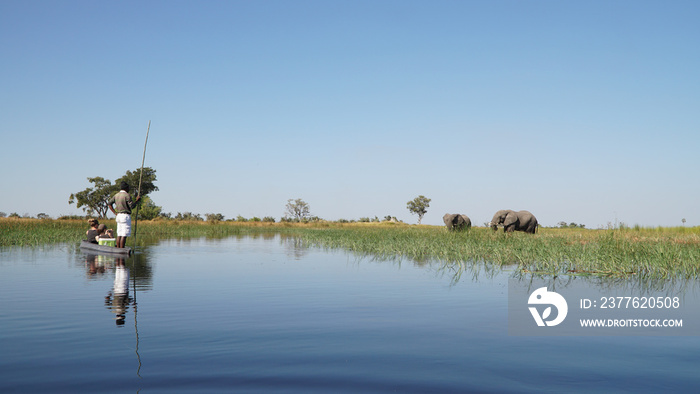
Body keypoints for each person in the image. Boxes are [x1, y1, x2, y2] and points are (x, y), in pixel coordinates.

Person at [107, 181, 141, 248]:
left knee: (119, 234)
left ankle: (118, 249)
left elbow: (109, 203)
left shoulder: (116, 195)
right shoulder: (127, 195)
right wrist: (137, 201)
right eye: (128, 188)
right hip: (125, 216)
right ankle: (122, 249)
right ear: (126, 188)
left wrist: (115, 213)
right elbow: (132, 206)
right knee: (124, 234)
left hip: (118, 216)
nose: (129, 189)